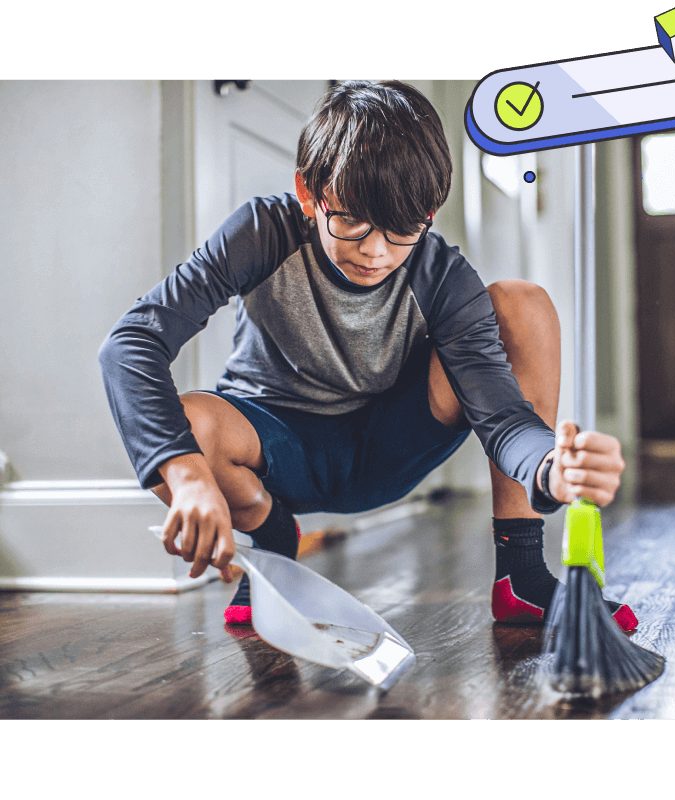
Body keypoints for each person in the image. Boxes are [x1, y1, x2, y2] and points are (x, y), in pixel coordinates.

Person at [99, 79, 635, 631]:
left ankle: (520, 574)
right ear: (310, 193)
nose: (375, 251)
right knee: (178, 422)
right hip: (274, 449)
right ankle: (272, 534)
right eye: (351, 219)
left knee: (522, 303)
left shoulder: (441, 276)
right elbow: (131, 343)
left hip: (387, 446)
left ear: (428, 211)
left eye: (402, 228)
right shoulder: (263, 231)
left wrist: (551, 468)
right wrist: (187, 476)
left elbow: (503, 416)